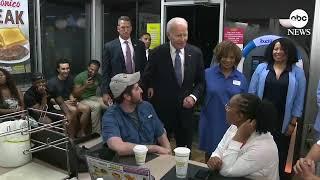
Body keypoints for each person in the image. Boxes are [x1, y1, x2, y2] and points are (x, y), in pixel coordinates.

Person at [248, 37, 306, 179]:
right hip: (261, 119)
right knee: (258, 150)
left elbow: (299, 100)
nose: (278, 52)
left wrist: (293, 123)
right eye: (275, 48)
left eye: (281, 49)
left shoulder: (297, 73)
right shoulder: (262, 68)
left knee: (279, 154)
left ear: (289, 52)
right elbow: (252, 92)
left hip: (283, 121)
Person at [143, 17, 205, 149]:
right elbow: (147, 78)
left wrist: (193, 97)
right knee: (160, 152)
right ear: (168, 35)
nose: (182, 39)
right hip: (162, 113)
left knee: (184, 153)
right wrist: (150, 87)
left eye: (185, 35)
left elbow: (201, 82)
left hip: (185, 114)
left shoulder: (195, 53)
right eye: (178, 35)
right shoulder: (157, 53)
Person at [207, 93, 279, 180]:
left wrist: (238, 138)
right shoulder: (234, 126)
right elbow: (219, 149)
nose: (226, 109)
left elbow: (226, 171)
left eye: (228, 107)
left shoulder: (263, 147)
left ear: (240, 116)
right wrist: (215, 157)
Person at [199, 41, 248, 162]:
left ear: (236, 59)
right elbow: (199, 94)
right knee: (211, 156)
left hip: (233, 124)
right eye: (224, 57)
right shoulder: (207, 74)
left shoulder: (241, 78)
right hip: (211, 121)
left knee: (230, 156)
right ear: (219, 57)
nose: (228, 60)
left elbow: (246, 103)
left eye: (231, 57)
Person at [102, 72, 171, 156]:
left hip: (154, 158)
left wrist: (168, 151)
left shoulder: (146, 106)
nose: (141, 91)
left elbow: (161, 133)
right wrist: (154, 148)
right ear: (127, 96)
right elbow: (118, 147)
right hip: (130, 161)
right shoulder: (110, 116)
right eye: (137, 89)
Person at [101, 16, 147, 105]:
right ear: (118, 28)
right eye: (123, 27)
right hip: (119, 89)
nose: (126, 30)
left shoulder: (140, 45)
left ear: (131, 28)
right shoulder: (110, 47)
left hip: (137, 87)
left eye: (128, 27)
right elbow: (106, 71)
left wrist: (147, 85)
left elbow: (144, 67)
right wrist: (105, 92)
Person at [48, 59, 91, 138]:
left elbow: (70, 93)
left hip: (69, 101)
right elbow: (51, 100)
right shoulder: (52, 82)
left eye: (67, 68)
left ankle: (81, 131)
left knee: (86, 108)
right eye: (63, 69)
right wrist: (65, 103)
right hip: (58, 104)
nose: (66, 71)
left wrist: (72, 99)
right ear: (58, 69)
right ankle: (71, 135)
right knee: (74, 110)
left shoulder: (70, 78)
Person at [73, 60, 106, 134]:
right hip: (82, 99)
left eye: (95, 70)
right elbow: (75, 94)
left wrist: (105, 95)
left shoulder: (98, 76)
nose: (93, 72)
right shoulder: (80, 77)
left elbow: (103, 88)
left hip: (93, 97)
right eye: (91, 69)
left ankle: (109, 130)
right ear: (88, 67)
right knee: (96, 106)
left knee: (109, 104)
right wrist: (85, 86)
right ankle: (96, 133)